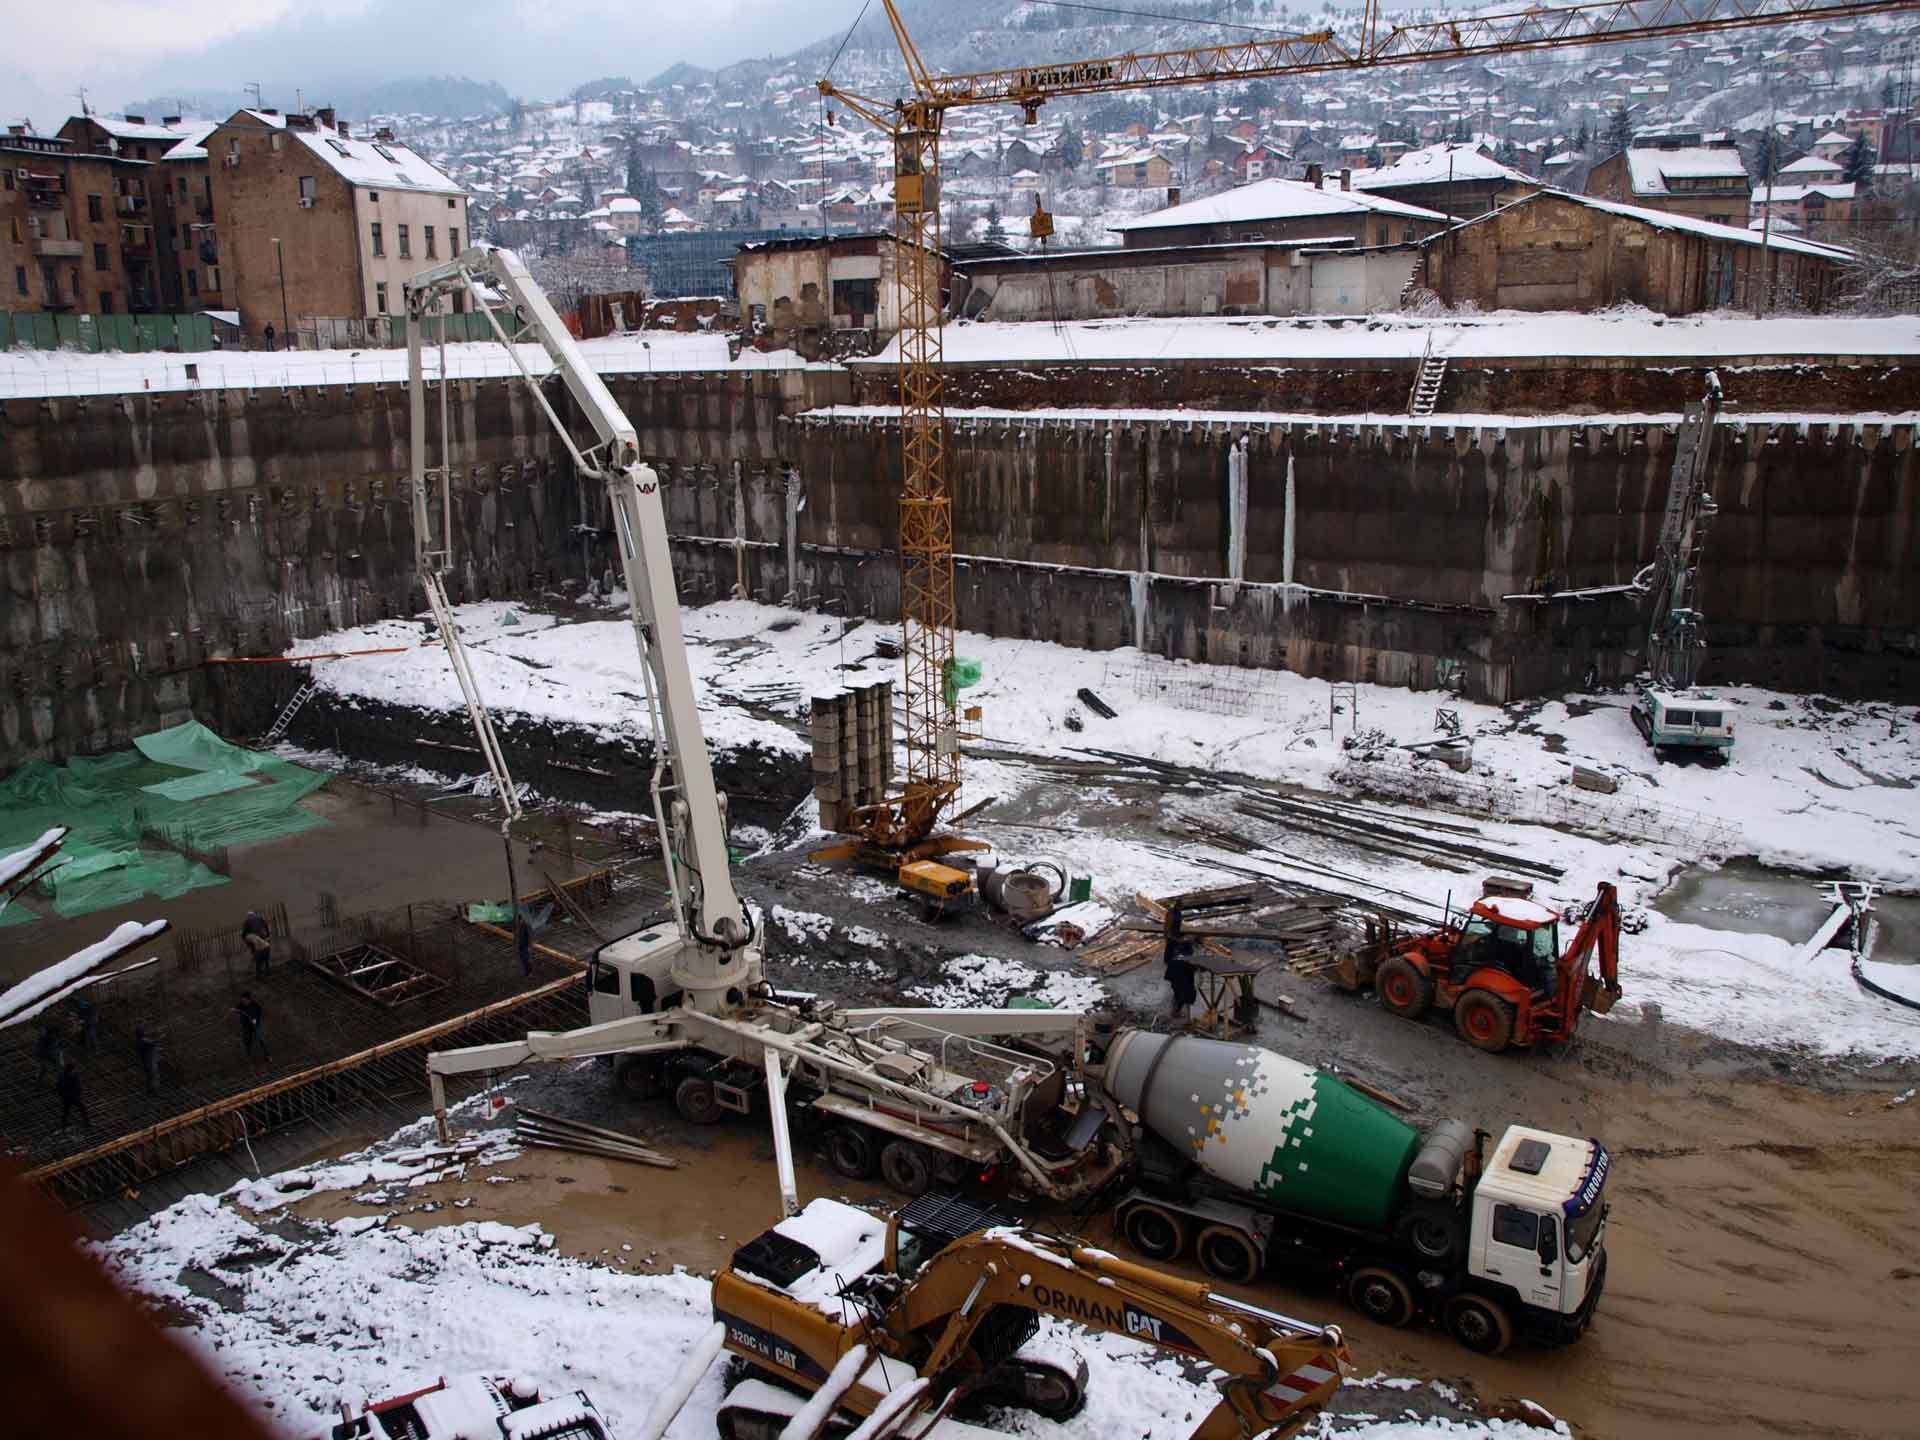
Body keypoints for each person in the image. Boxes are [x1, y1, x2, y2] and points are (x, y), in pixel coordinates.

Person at [1164, 936, 1198, 1025]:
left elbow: (1167, 960)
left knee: (1183, 993)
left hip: (1182, 971)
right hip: (1179, 971)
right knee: (1181, 993)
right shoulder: (1173, 943)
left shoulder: (1184, 944)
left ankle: (1180, 1014)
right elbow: (1167, 959)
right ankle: (1178, 1014)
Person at [55, 1059, 89, 1130]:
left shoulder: (73, 1074)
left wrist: (79, 1091)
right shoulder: (63, 1076)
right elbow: (59, 1086)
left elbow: (78, 1084)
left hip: (73, 1096)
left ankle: (86, 1122)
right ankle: (64, 1124)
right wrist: (63, 1095)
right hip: (68, 1096)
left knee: (80, 1108)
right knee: (67, 1110)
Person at [235, 992, 269, 1060]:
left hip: (255, 1026)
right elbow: (237, 1009)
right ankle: (248, 1055)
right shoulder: (241, 1005)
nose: (243, 1001)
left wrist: (255, 1019)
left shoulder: (255, 1006)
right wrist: (234, 1010)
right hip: (246, 1027)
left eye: (245, 1000)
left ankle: (267, 1055)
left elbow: (259, 1014)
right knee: (246, 1041)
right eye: (242, 1000)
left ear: (249, 999)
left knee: (261, 1040)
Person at [242, 909, 272, 978]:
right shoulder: (259, 918)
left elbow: (244, 932)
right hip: (262, 936)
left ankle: (259, 971)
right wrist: (267, 934)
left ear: (248, 916)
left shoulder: (247, 921)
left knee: (257, 954)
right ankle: (267, 969)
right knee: (265, 953)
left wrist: (245, 940)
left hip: (254, 937)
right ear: (254, 914)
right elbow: (266, 925)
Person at [134, 1026, 161, 1096]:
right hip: (150, 1061)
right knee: (153, 1076)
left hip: (145, 1061)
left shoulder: (138, 1042)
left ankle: (149, 1090)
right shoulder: (143, 1041)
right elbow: (154, 1043)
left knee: (149, 1077)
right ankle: (154, 1091)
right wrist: (160, 1036)